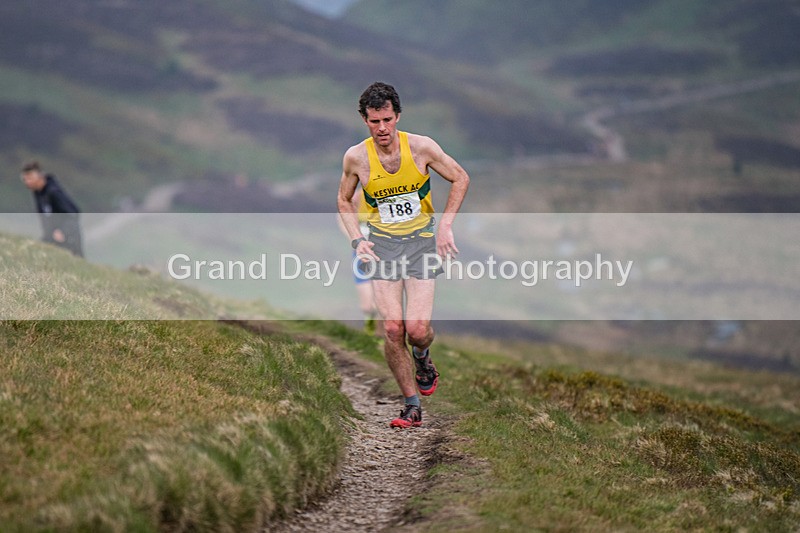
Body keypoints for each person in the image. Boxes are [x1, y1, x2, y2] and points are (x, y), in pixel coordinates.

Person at [337, 82, 470, 428]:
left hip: (422, 244)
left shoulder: (422, 147)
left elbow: (460, 178)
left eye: (386, 119)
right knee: (393, 329)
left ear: (397, 116)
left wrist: (445, 226)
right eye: (373, 121)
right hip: (382, 247)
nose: (381, 128)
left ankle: (423, 357)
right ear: (364, 120)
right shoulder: (356, 157)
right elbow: (343, 200)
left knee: (417, 329)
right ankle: (411, 405)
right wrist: (356, 241)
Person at [337, 187, 385, 337]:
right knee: (367, 305)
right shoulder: (359, 195)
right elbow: (342, 215)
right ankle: (370, 328)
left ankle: (380, 337)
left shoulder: (389, 194)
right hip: (362, 254)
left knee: (380, 301)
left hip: (384, 254)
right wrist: (354, 239)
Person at [20, 161, 84, 257]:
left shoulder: (53, 192)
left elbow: (73, 213)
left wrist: (63, 231)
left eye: (30, 178)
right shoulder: (38, 192)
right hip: (52, 237)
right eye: (25, 179)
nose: (27, 182)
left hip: (68, 237)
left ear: (39, 176)